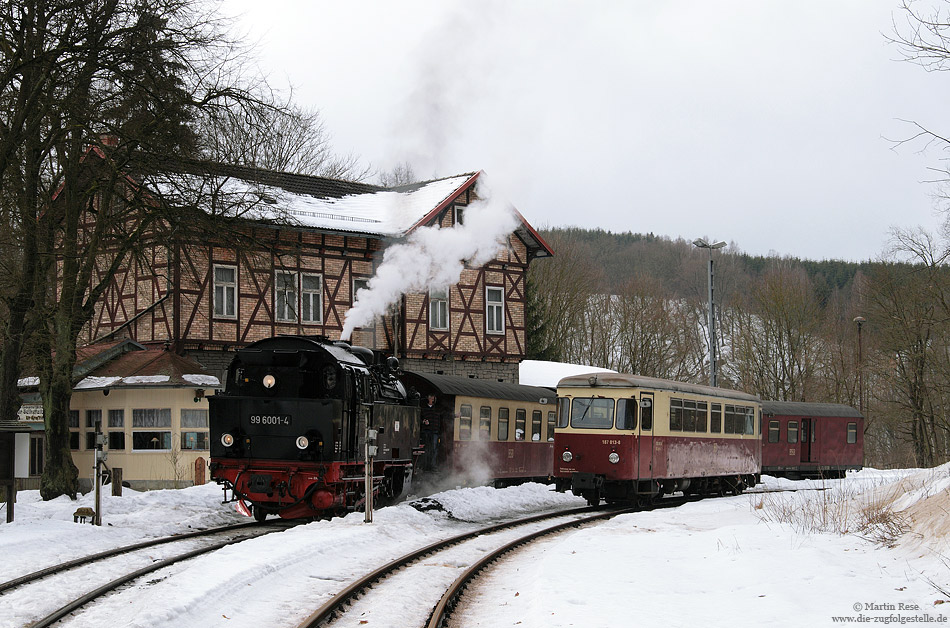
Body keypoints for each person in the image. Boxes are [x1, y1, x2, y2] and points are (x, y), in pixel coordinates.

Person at [420, 394, 442, 472]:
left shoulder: (437, 409)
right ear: (428, 399)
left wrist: (455, 416)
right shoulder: (424, 409)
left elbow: (445, 415)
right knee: (426, 448)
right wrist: (423, 421)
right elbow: (419, 418)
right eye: (431, 398)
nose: (432, 400)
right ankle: (424, 465)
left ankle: (433, 465)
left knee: (434, 448)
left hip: (435, 431)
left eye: (433, 398)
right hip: (426, 431)